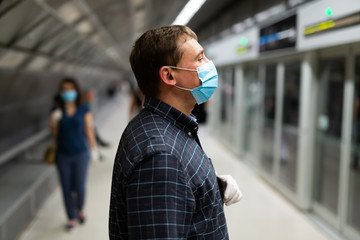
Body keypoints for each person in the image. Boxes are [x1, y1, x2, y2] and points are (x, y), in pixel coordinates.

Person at [109, 25, 242, 239]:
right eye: (200, 59)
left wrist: (212, 186)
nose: (209, 64)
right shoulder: (161, 157)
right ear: (169, 75)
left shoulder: (168, 126)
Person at [49, 77, 99, 230]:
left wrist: (94, 149)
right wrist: (53, 121)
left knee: (80, 186)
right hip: (63, 154)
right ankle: (71, 217)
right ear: (61, 92)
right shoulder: (57, 110)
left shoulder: (84, 108)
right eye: (65, 89)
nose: (68, 92)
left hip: (81, 153)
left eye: (71, 89)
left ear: (76, 91)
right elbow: (54, 134)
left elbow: (88, 130)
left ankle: (80, 209)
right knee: (66, 187)